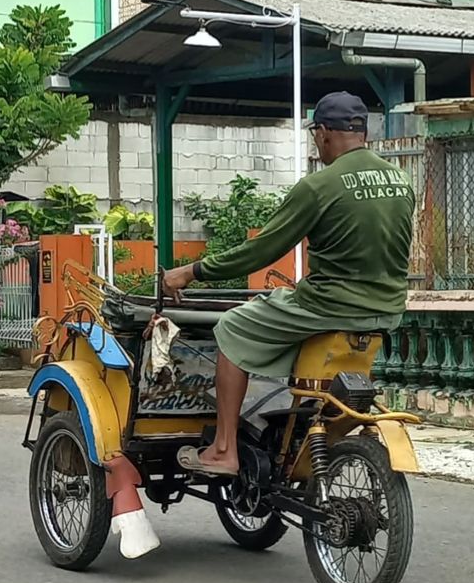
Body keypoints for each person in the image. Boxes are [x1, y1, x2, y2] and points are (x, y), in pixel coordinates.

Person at [161, 91, 414, 477]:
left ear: (325, 133)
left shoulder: (321, 185)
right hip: (388, 309)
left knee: (232, 328)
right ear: (362, 132)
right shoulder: (400, 180)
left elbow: (261, 250)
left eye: (316, 135)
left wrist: (191, 271)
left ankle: (224, 449)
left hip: (328, 306)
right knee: (280, 308)